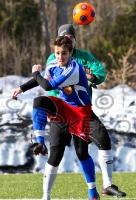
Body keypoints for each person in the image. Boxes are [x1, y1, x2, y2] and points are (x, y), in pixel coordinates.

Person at [12, 36, 100, 200]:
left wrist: (36, 73)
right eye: (58, 53)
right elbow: (41, 80)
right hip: (63, 106)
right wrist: (21, 88)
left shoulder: (73, 68)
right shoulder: (53, 63)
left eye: (64, 53)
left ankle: (93, 193)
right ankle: (40, 143)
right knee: (39, 102)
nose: (60, 57)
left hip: (80, 111)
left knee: (82, 153)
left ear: (71, 53)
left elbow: (47, 85)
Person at [46, 24, 126, 197]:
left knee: (101, 140)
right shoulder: (53, 59)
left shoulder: (84, 56)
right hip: (61, 112)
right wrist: (82, 76)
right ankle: (46, 195)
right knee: (56, 153)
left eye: (71, 37)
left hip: (81, 110)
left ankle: (107, 185)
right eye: (64, 37)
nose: (68, 40)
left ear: (75, 40)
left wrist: (90, 77)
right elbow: (51, 86)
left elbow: (100, 73)